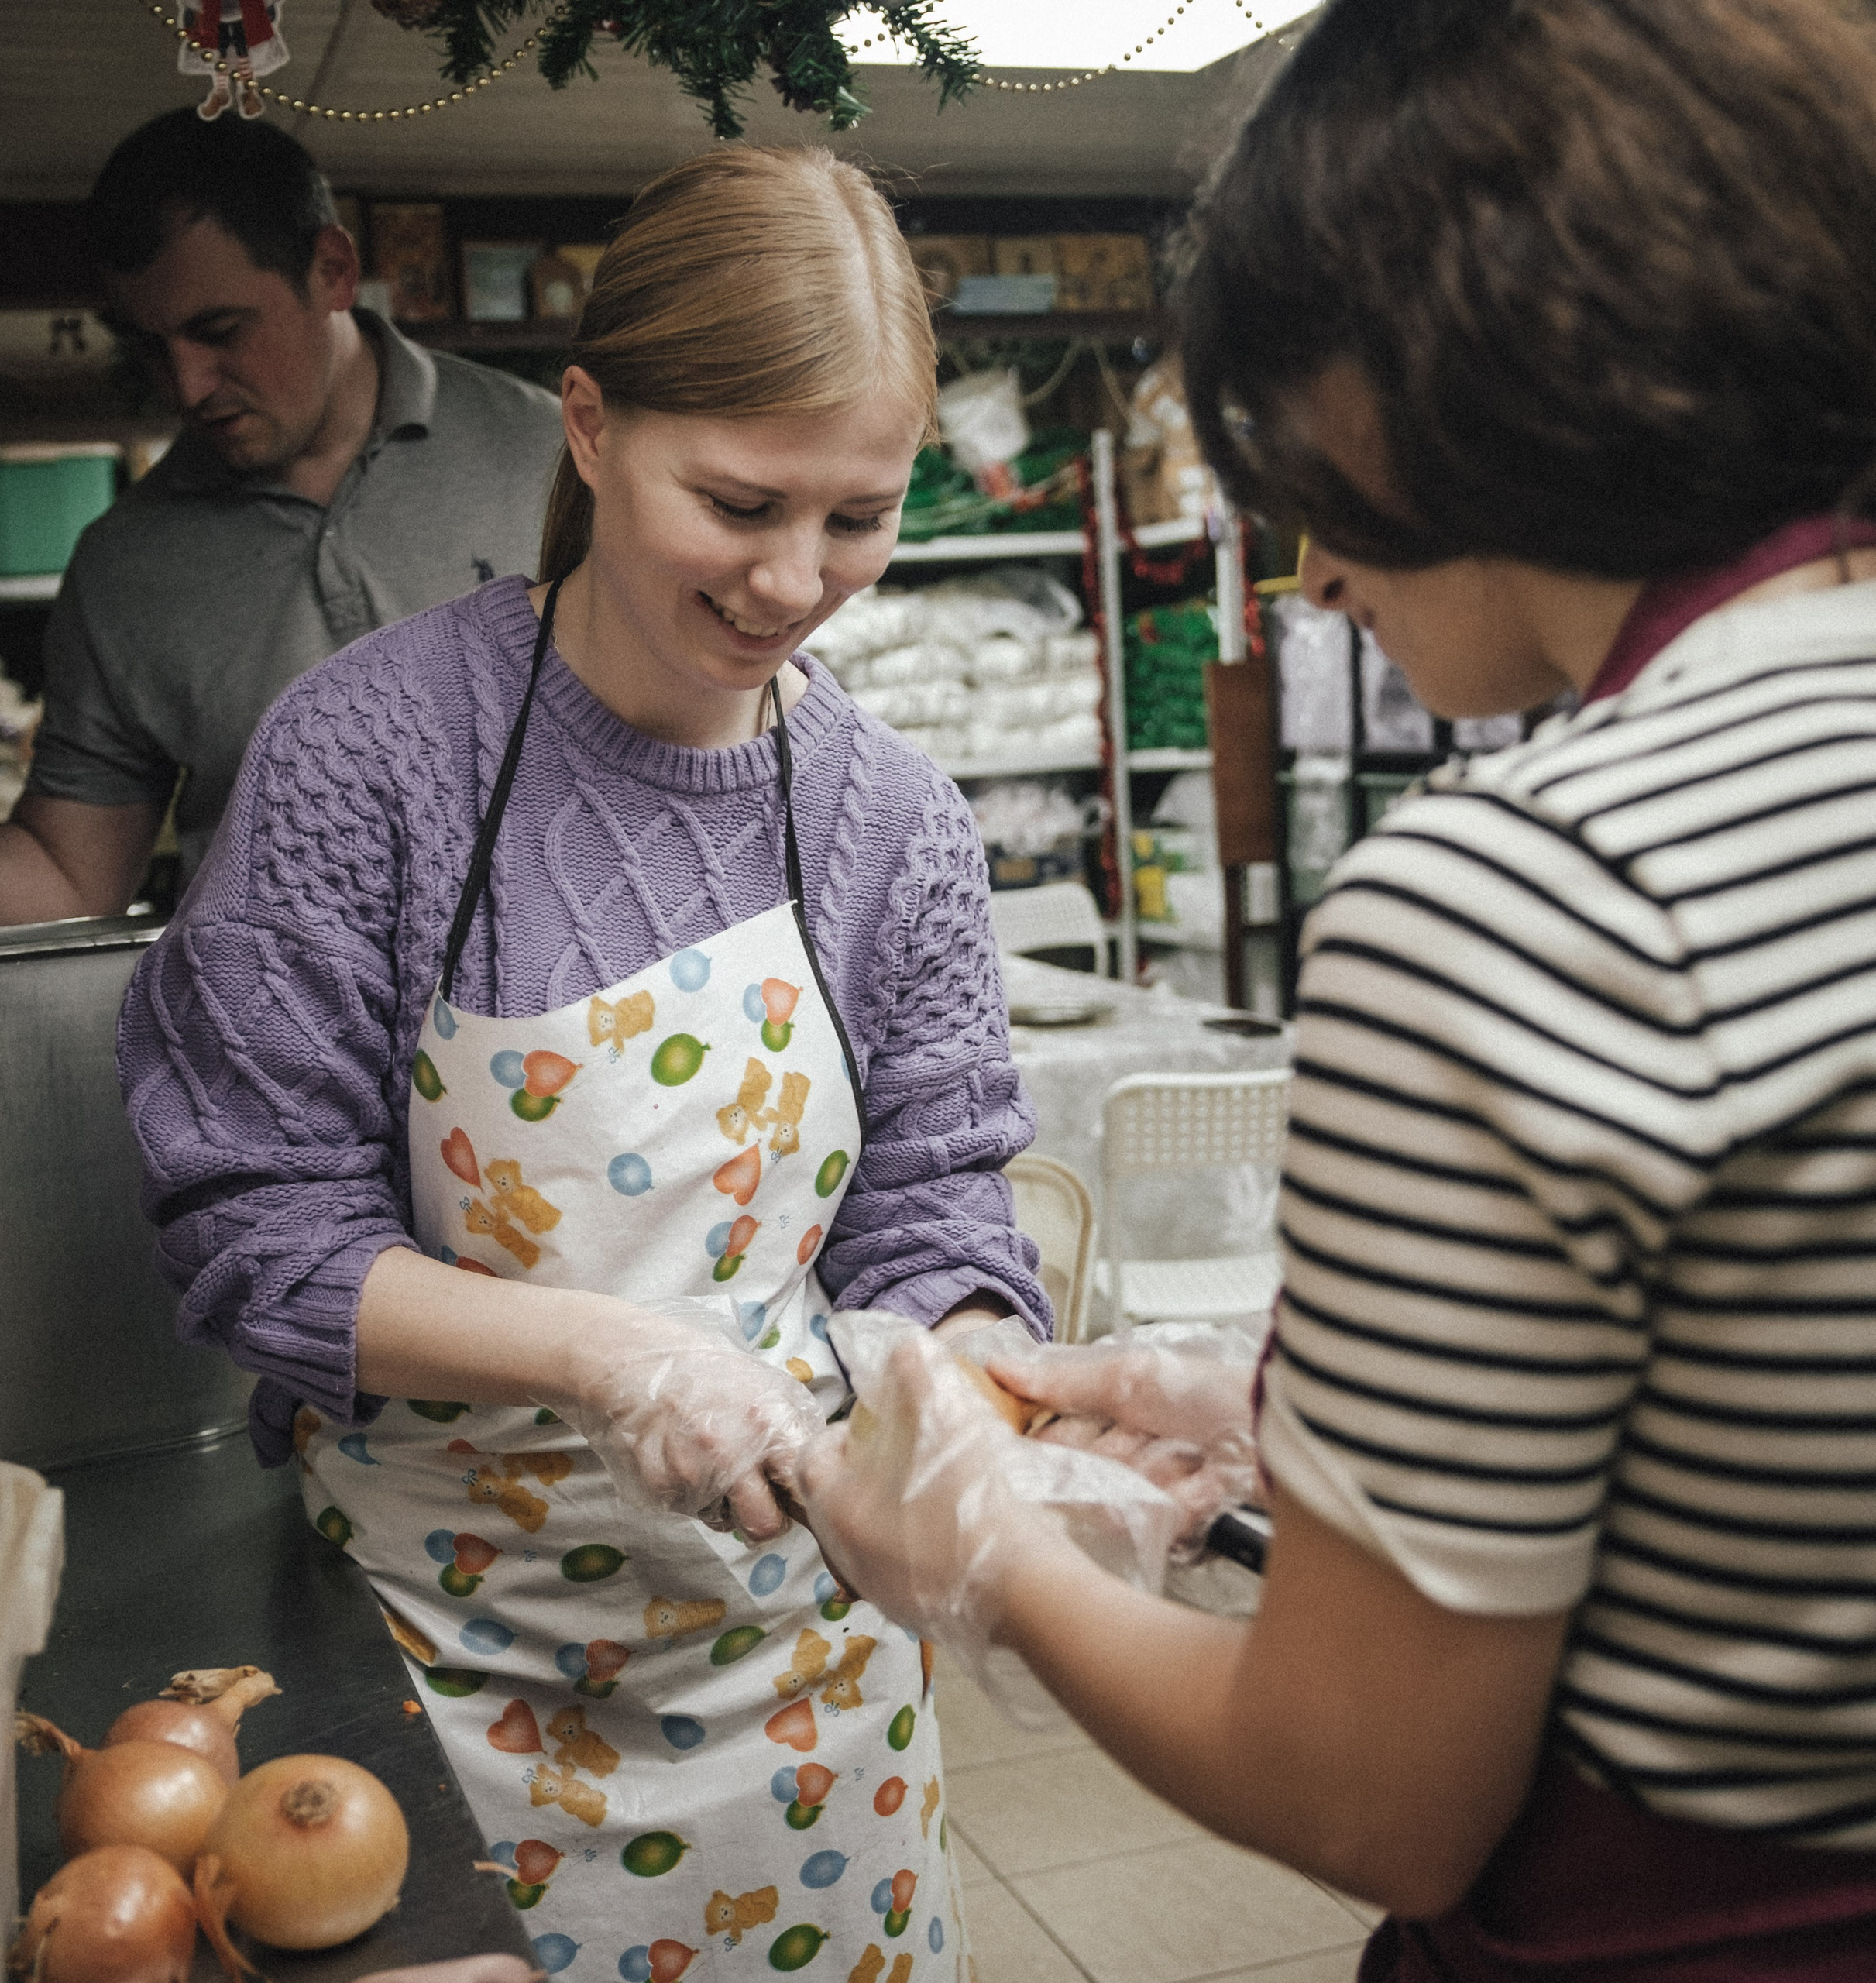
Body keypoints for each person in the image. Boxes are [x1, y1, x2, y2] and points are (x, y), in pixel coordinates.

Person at [797, 0, 1876, 1976]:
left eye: (1298, 450)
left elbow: (1370, 1788)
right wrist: (1290, 1422)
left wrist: (993, 1556)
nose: (1307, 582)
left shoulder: (1516, 894)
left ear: (1430, 377)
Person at [118, 146, 1048, 1978]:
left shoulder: (892, 819)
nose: (796, 579)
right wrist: (611, 1353)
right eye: (739, 499)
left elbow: (932, 1196)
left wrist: (992, 1384)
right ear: (592, 423)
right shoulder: (368, 761)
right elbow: (247, 1214)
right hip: (435, 1692)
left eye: (857, 517)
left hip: (803, 1698)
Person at [0, 109, 562, 926]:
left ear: (333, 270)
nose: (186, 386)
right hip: (287, 1043)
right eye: (150, 346)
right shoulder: (122, 568)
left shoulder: (552, 452)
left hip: (579, 1029)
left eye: (219, 332)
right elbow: (69, 879)